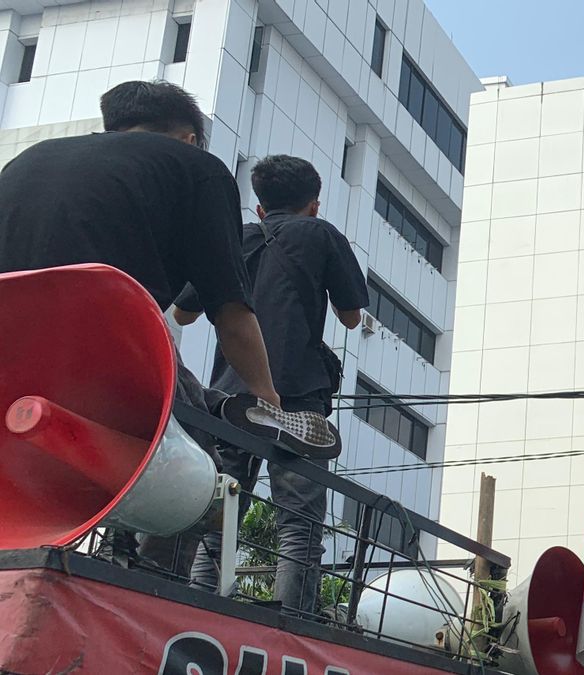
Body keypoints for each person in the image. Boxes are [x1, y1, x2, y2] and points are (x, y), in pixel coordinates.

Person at [0, 80, 286, 575]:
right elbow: (231, 309)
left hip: (14, 354)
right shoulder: (196, 169)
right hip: (107, 337)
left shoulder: (29, 159)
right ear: (190, 138)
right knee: (194, 466)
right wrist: (267, 397)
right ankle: (144, 586)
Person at [176, 155, 368, 615]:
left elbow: (183, 312)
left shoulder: (234, 237)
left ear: (260, 207)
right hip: (298, 398)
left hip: (229, 397)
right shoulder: (321, 235)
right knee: (298, 517)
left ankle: (200, 603)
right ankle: (293, 616)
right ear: (314, 205)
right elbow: (351, 316)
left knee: (219, 508)